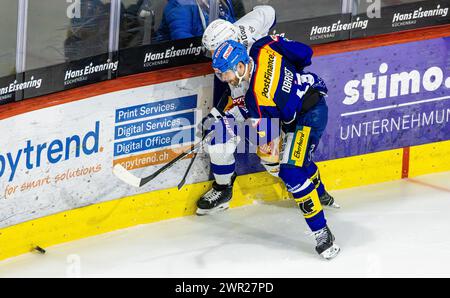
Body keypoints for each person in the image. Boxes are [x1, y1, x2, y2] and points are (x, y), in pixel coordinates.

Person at [196, 6, 339, 216]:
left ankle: (305, 188)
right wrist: (219, 116)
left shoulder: (254, 48)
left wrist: (280, 53)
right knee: (220, 139)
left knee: (276, 158)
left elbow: (272, 14)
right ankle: (223, 189)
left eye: (213, 50)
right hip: (255, 104)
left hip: (280, 100)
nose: (212, 57)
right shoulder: (231, 52)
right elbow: (266, 11)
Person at [208, 38, 340, 259]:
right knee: (299, 160)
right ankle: (322, 195)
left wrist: (231, 124)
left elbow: (268, 141)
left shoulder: (256, 100)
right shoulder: (263, 46)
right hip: (311, 97)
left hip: (309, 118)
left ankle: (323, 234)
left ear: (240, 66)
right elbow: (304, 52)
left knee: (290, 170)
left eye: (225, 74)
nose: (224, 79)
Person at [154, 0, 239, 43]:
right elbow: (184, 43)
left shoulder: (218, 2)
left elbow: (231, 23)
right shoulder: (179, 5)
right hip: (187, 62)